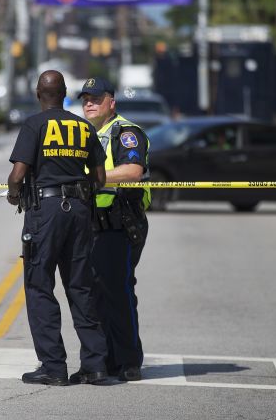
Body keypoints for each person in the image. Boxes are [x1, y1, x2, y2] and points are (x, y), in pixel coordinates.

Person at [7, 70, 109, 386]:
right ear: (64, 93)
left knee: (39, 286)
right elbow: (100, 178)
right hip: (79, 211)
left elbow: (17, 174)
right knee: (80, 287)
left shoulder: (34, 125)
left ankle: (53, 366)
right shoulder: (81, 126)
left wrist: (14, 195)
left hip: (45, 212)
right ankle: (95, 365)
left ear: (39, 94)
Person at [78, 77, 150, 382]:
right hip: (91, 225)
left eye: (96, 98)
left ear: (112, 102)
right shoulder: (84, 134)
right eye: (85, 99)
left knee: (117, 293)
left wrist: (93, 179)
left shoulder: (126, 132)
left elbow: (132, 172)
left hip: (119, 224)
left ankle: (129, 361)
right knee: (94, 296)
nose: (89, 103)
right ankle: (105, 359)